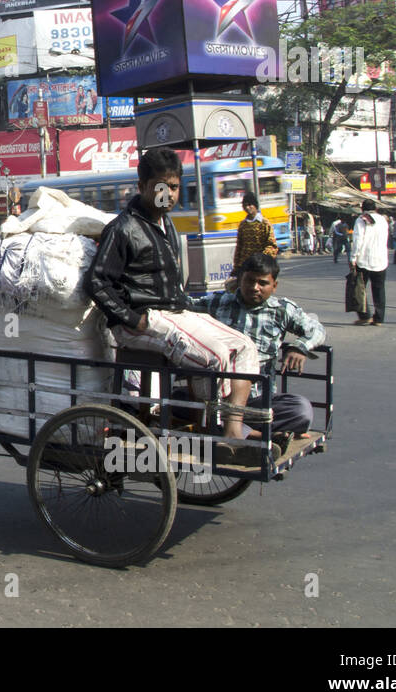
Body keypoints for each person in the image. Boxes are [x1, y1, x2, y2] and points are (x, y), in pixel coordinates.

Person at [83, 147, 264, 461]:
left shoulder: (167, 225)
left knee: (246, 345)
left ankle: (233, 427)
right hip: (143, 321)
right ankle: (213, 430)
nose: (169, 194)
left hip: (174, 313)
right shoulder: (123, 229)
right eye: (161, 187)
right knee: (215, 356)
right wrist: (130, 318)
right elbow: (97, 282)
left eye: (175, 187)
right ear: (142, 187)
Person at [193, 253, 325, 448]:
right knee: (174, 402)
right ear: (239, 280)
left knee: (301, 411)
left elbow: (316, 330)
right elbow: (182, 308)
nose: (255, 288)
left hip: (258, 401)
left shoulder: (282, 310)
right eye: (249, 281)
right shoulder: (217, 302)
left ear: (274, 286)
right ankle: (251, 434)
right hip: (218, 396)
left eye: (262, 283)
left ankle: (240, 430)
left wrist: (300, 347)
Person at [350, 199, 389, 326]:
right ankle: (379, 319)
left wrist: (353, 258)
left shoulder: (361, 220)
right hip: (381, 260)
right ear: (376, 208)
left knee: (359, 288)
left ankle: (365, 315)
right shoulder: (383, 220)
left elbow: (358, 240)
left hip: (364, 260)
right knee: (379, 290)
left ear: (362, 209)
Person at [227, 191, 278, 289]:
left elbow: (272, 245)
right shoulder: (243, 225)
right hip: (245, 266)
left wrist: (262, 259)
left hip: (260, 266)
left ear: (255, 206)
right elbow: (239, 247)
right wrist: (237, 266)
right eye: (245, 205)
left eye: (250, 205)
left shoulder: (264, 223)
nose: (247, 208)